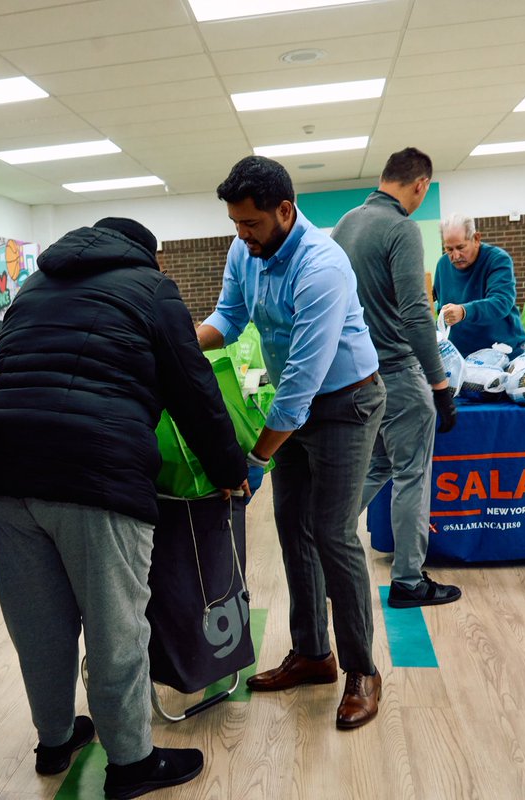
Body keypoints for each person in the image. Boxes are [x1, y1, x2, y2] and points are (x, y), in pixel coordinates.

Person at [0, 217, 249, 799]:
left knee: (37, 623)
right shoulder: (152, 287)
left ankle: (54, 739)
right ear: (149, 255)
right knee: (115, 624)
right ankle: (131, 762)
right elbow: (194, 389)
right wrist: (229, 471)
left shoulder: (32, 286)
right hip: (93, 467)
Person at [197, 155, 387, 730]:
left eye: (250, 223)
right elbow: (227, 318)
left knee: (332, 533)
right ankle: (312, 654)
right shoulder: (244, 252)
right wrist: (174, 344)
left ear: (285, 210)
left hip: (347, 403)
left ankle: (362, 670)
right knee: (291, 529)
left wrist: (259, 456)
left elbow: (303, 380)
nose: (241, 234)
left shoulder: (322, 266)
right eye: (235, 223)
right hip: (294, 409)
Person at [331, 147, 463, 609]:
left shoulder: (346, 224)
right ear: (420, 185)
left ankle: (320, 542)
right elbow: (414, 313)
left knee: (378, 466)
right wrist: (440, 386)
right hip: (399, 375)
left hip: (359, 376)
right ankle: (408, 580)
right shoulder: (401, 227)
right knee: (412, 474)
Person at [435, 214, 525, 358]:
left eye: (461, 247)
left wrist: (464, 311)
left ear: (476, 239)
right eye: (449, 249)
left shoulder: (497, 260)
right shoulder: (443, 265)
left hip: (502, 352)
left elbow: (501, 302)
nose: (456, 256)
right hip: (461, 356)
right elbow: (441, 307)